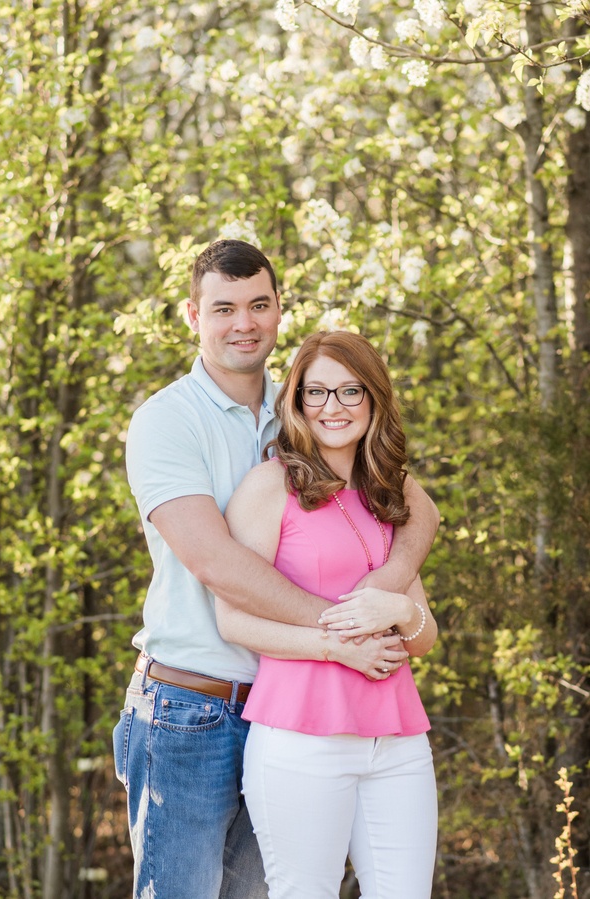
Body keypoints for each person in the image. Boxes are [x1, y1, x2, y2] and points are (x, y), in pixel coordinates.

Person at [114, 239, 439, 899]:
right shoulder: (168, 421)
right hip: (191, 707)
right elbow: (215, 562)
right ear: (191, 315)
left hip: (282, 704)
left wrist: (399, 588)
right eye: (224, 307)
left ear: (278, 309)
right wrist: (346, 629)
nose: (244, 322)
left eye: (258, 304)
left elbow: (413, 505)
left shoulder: (302, 410)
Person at [215, 330, 438, 899]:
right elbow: (233, 621)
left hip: (397, 740)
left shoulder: (390, 495)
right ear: (295, 401)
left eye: (349, 391)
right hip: (300, 737)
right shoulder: (271, 488)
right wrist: (335, 646)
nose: (332, 408)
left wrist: (396, 609)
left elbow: (423, 634)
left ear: (374, 399)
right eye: (316, 393)